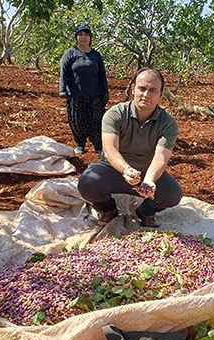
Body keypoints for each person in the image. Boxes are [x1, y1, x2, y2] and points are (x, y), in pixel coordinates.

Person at [77, 67, 183, 228]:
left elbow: (161, 158)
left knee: (172, 194)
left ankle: (146, 211)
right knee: (87, 183)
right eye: (142, 88)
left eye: (153, 90)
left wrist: (149, 180)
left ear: (160, 95)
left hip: (147, 171)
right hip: (114, 169)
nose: (146, 94)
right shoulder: (116, 114)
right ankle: (108, 209)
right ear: (133, 89)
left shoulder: (167, 123)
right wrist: (126, 170)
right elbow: (110, 149)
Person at [59, 23, 110, 155]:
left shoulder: (96, 55)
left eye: (86, 34)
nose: (83, 37)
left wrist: (105, 92)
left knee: (96, 120)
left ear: (90, 37)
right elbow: (63, 73)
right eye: (80, 34)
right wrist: (62, 89)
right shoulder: (70, 54)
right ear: (76, 37)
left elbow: (102, 75)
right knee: (77, 120)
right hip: (76, 95)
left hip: (94, 94)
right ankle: (80, 144)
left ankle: (98, 145)